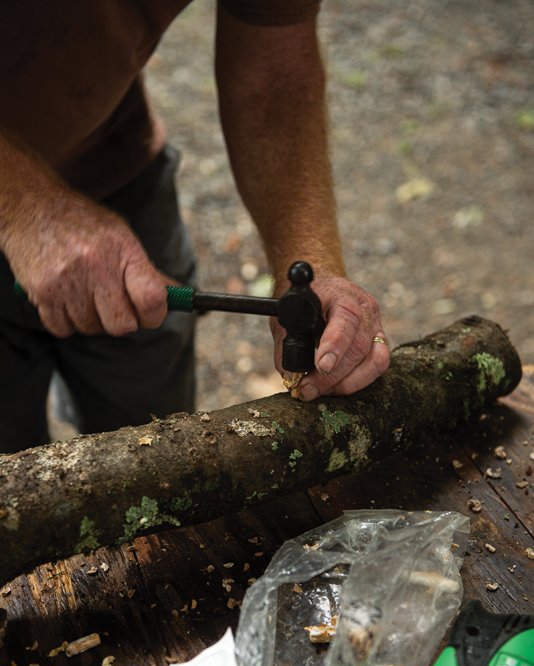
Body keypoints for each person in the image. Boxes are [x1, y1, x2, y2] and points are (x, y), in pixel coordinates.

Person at [0, 0, 389, 455]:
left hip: (118, 169)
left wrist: (310, 261)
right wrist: (24, 207)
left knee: (157, 443)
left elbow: (273, 74)